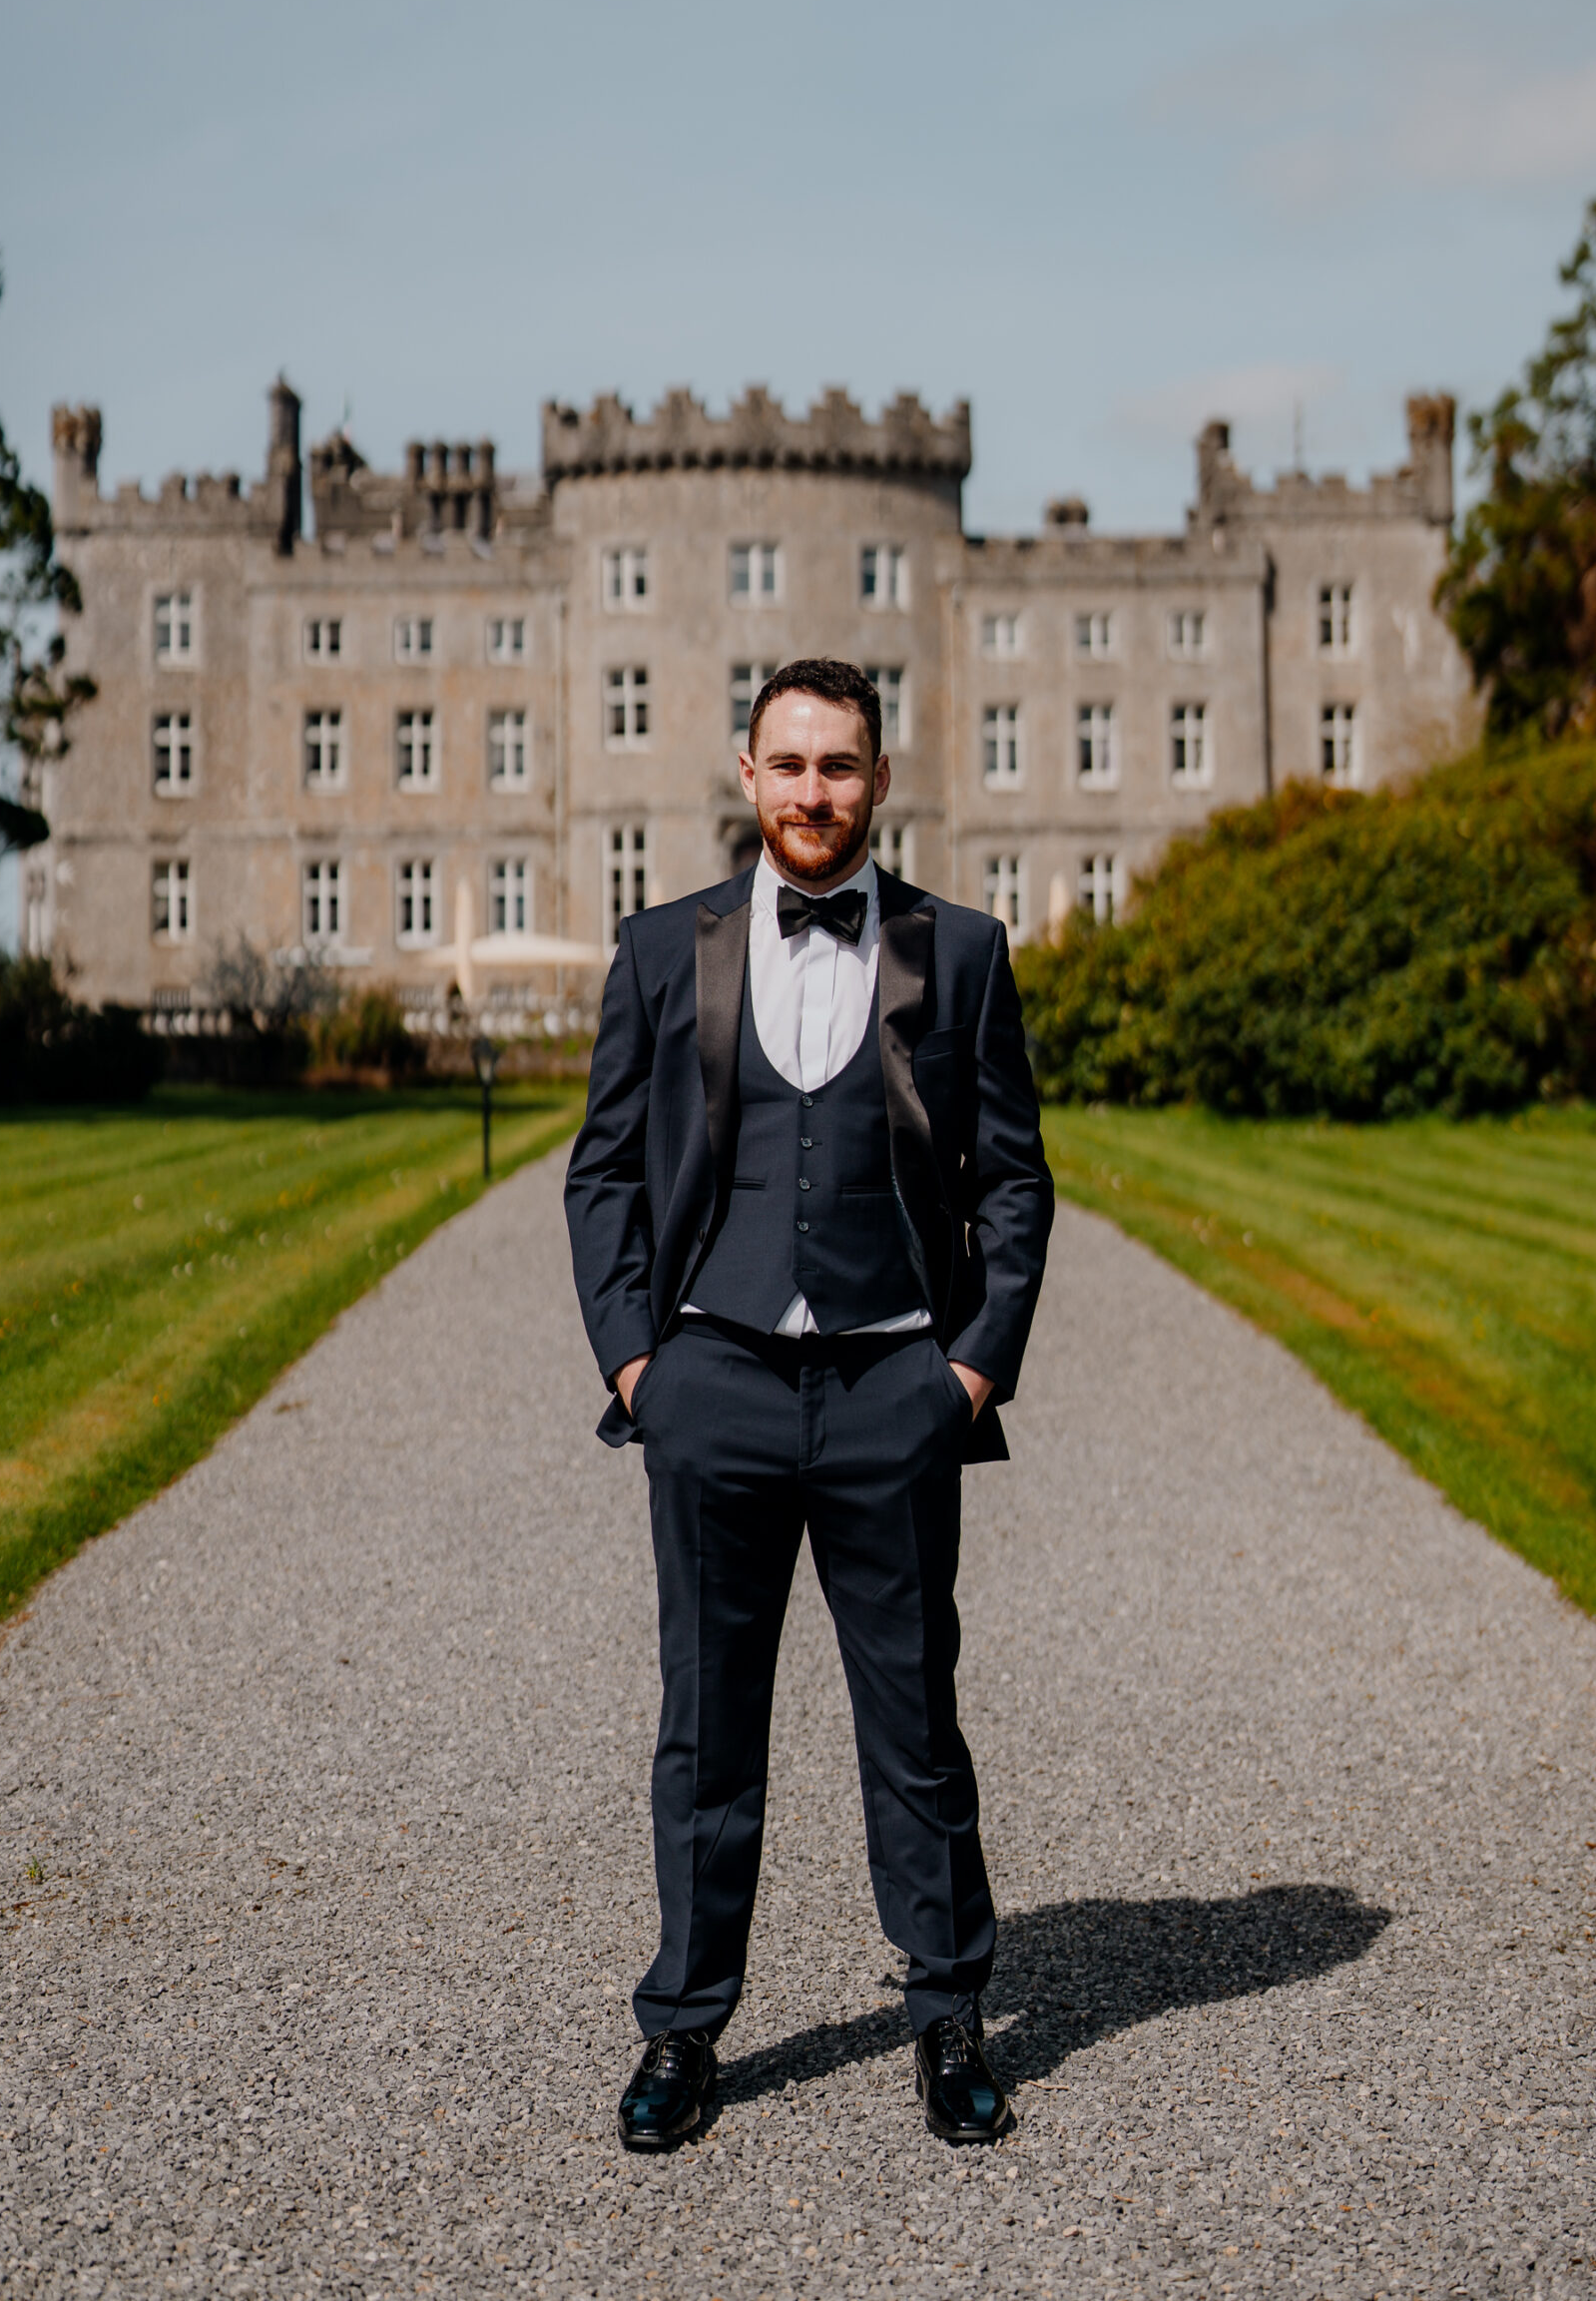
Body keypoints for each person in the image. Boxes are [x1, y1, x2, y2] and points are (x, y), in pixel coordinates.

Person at [564, 657, 1053, 2151]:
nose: (814, 795)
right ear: (746, 771)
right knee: (705, 1729)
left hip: (892, 1386)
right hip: (710, 1382)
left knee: (913, 1725)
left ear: (880, 780)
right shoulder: (665, 948)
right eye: (789, 765)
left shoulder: (955, 950)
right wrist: (639, 1363)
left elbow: (1016, 1180)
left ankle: (950, 2016)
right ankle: (685, 2033)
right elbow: (602, 1173)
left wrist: (964, 1371)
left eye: (840, 766)